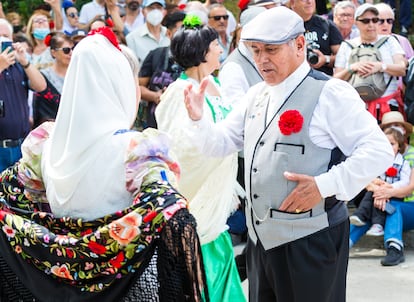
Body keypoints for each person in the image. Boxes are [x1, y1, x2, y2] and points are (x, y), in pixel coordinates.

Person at [181, 6, 394, 302]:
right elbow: (219, 144)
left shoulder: (331, 93)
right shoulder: (256, 95)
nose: (261, 60)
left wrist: (324, 185)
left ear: (299, 44)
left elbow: (378, 151)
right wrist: (198, 119)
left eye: (271, 50)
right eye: (255, 51)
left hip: (310, 240)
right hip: (261, 243)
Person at [0, 26, 207, 301]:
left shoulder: (44, 147)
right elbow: (168, 208)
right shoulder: (136, 150)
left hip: (56, 287)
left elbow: (12, 198)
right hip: (128, 286)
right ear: (118, 85)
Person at [155, 15, 245, 302]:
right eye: (216, 44)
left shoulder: (214, 85)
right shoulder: (177, 92)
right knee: (202, 267)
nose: (221, 50)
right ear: (202, 52)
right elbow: (177, 148)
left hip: (215, 196)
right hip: (194, 197)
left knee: (218, 258)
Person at [350, 111, 414, 266]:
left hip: (409, 206)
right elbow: (366, 179)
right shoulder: (379, 154)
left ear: (403, 131)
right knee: (367, 213)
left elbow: (410, 187)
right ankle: (342, 245)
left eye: (397, 125)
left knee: (393, 207)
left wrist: (386, 192)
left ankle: (394, 249)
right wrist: (378, 191)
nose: (394, 129)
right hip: (383, 200)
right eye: (389, 127)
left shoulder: (411, 154)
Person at [334, 3, 406, 122]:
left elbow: (402, 69)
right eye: (366, 21)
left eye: (375, 20)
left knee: (391, 140)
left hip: (388, 107)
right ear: (356, 23)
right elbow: (336, 79)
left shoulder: (390, 41)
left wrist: (381, 67)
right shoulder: (346, 46)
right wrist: (352, 68)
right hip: (357, 109)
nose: (371, 24)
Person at [0, 18, 47, 172]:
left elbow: (41, 86)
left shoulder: (19, 65)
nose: (2, 40)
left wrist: (25, 61)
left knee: (23, 194)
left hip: (22, 146)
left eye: (5, 36)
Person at [349, 126, 410, 237]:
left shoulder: (403, 163)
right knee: (372, 193)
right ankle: (361, 215)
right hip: (379, 191)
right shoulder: (380, 160)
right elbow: (372, 176)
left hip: (395, 194)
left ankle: (378, 224)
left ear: (399, 146)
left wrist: (390, 188)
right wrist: (378, 185)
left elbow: (405, 182)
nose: (388, 147)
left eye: (392, 144)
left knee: (379, 196)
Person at [138, 10, 185, 129]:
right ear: (169, 33)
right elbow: (139, 87)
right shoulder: (156, 55)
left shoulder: (198, 59)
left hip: (184, 125)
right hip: (156, 124)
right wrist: (155, 96)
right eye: (180, 31)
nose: (185, 35)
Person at [32, 32, 74, 128]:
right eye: (66, 50)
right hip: (50, 131)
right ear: (53, 52)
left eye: (73, 49)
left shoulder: (78, 75)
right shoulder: (43, 76)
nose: (71, 53)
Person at [290, 0, 343, 76]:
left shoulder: (326, 24)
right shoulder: (286, 27)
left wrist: (325, 59)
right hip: (295, 79)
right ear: (292, 3)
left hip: (323, 79)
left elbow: (343, 58)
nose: (309, 1)